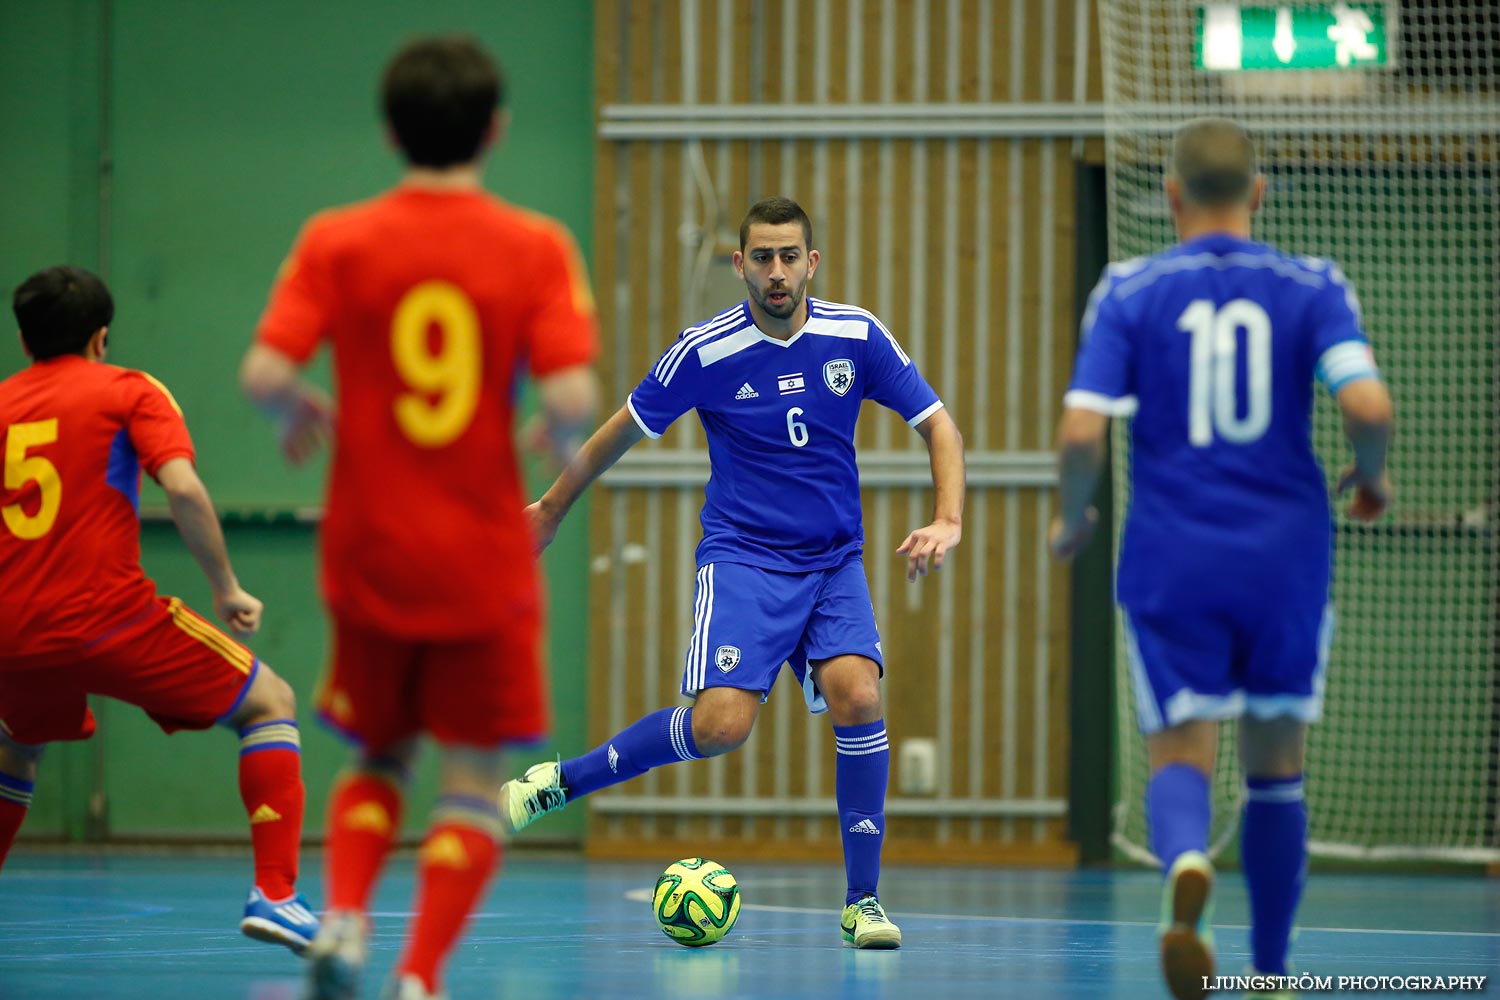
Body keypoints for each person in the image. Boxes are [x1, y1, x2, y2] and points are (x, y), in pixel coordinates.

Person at [500, 195, 966, 950]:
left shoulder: (856, 335)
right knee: (720, 727)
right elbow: (618, 431)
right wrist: (550, 510)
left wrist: (947, 518)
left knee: (859, 694)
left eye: (790, 256)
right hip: (745, 559)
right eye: (762, 257)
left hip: (833, 562)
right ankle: (562, 782)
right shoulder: (704, 352)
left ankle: (864, 902)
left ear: (812, 263)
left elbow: (938, 423)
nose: (777, 272)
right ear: (739, 264)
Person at [240, 35, 600, 1000]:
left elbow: (265, 373)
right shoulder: (534, 246)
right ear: (496, 129)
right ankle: (417, 976)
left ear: (392, 130)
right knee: (472, 781)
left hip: (369, 546)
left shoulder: (336, 239)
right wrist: (555, 440)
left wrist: (296, 412)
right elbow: (571, 398)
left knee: (379, 751)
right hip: (480, 557)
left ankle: (346, 918)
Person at [1048, 119, 1395, 1000]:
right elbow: (1368, 404)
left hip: (1174, 553)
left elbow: (1083, 429)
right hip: (1284, 557)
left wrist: (1075, 514)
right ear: (1258, 193)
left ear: (1170, 195)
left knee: (1179, 753)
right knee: (1278, 768)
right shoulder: (1311, 286)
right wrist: (1374, 477)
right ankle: (1272, 971)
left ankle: (1188, 861)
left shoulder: (1129, 289)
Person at [0, 266, 316, 953]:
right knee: (269, 702)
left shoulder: (1, 405)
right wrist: (226, 585)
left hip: (12, 630)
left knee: (17, 748)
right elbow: (183, 488)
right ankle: (277, 894)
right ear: (101, 337)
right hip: (107, 616)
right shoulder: (127, 391)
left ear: (23, 339)